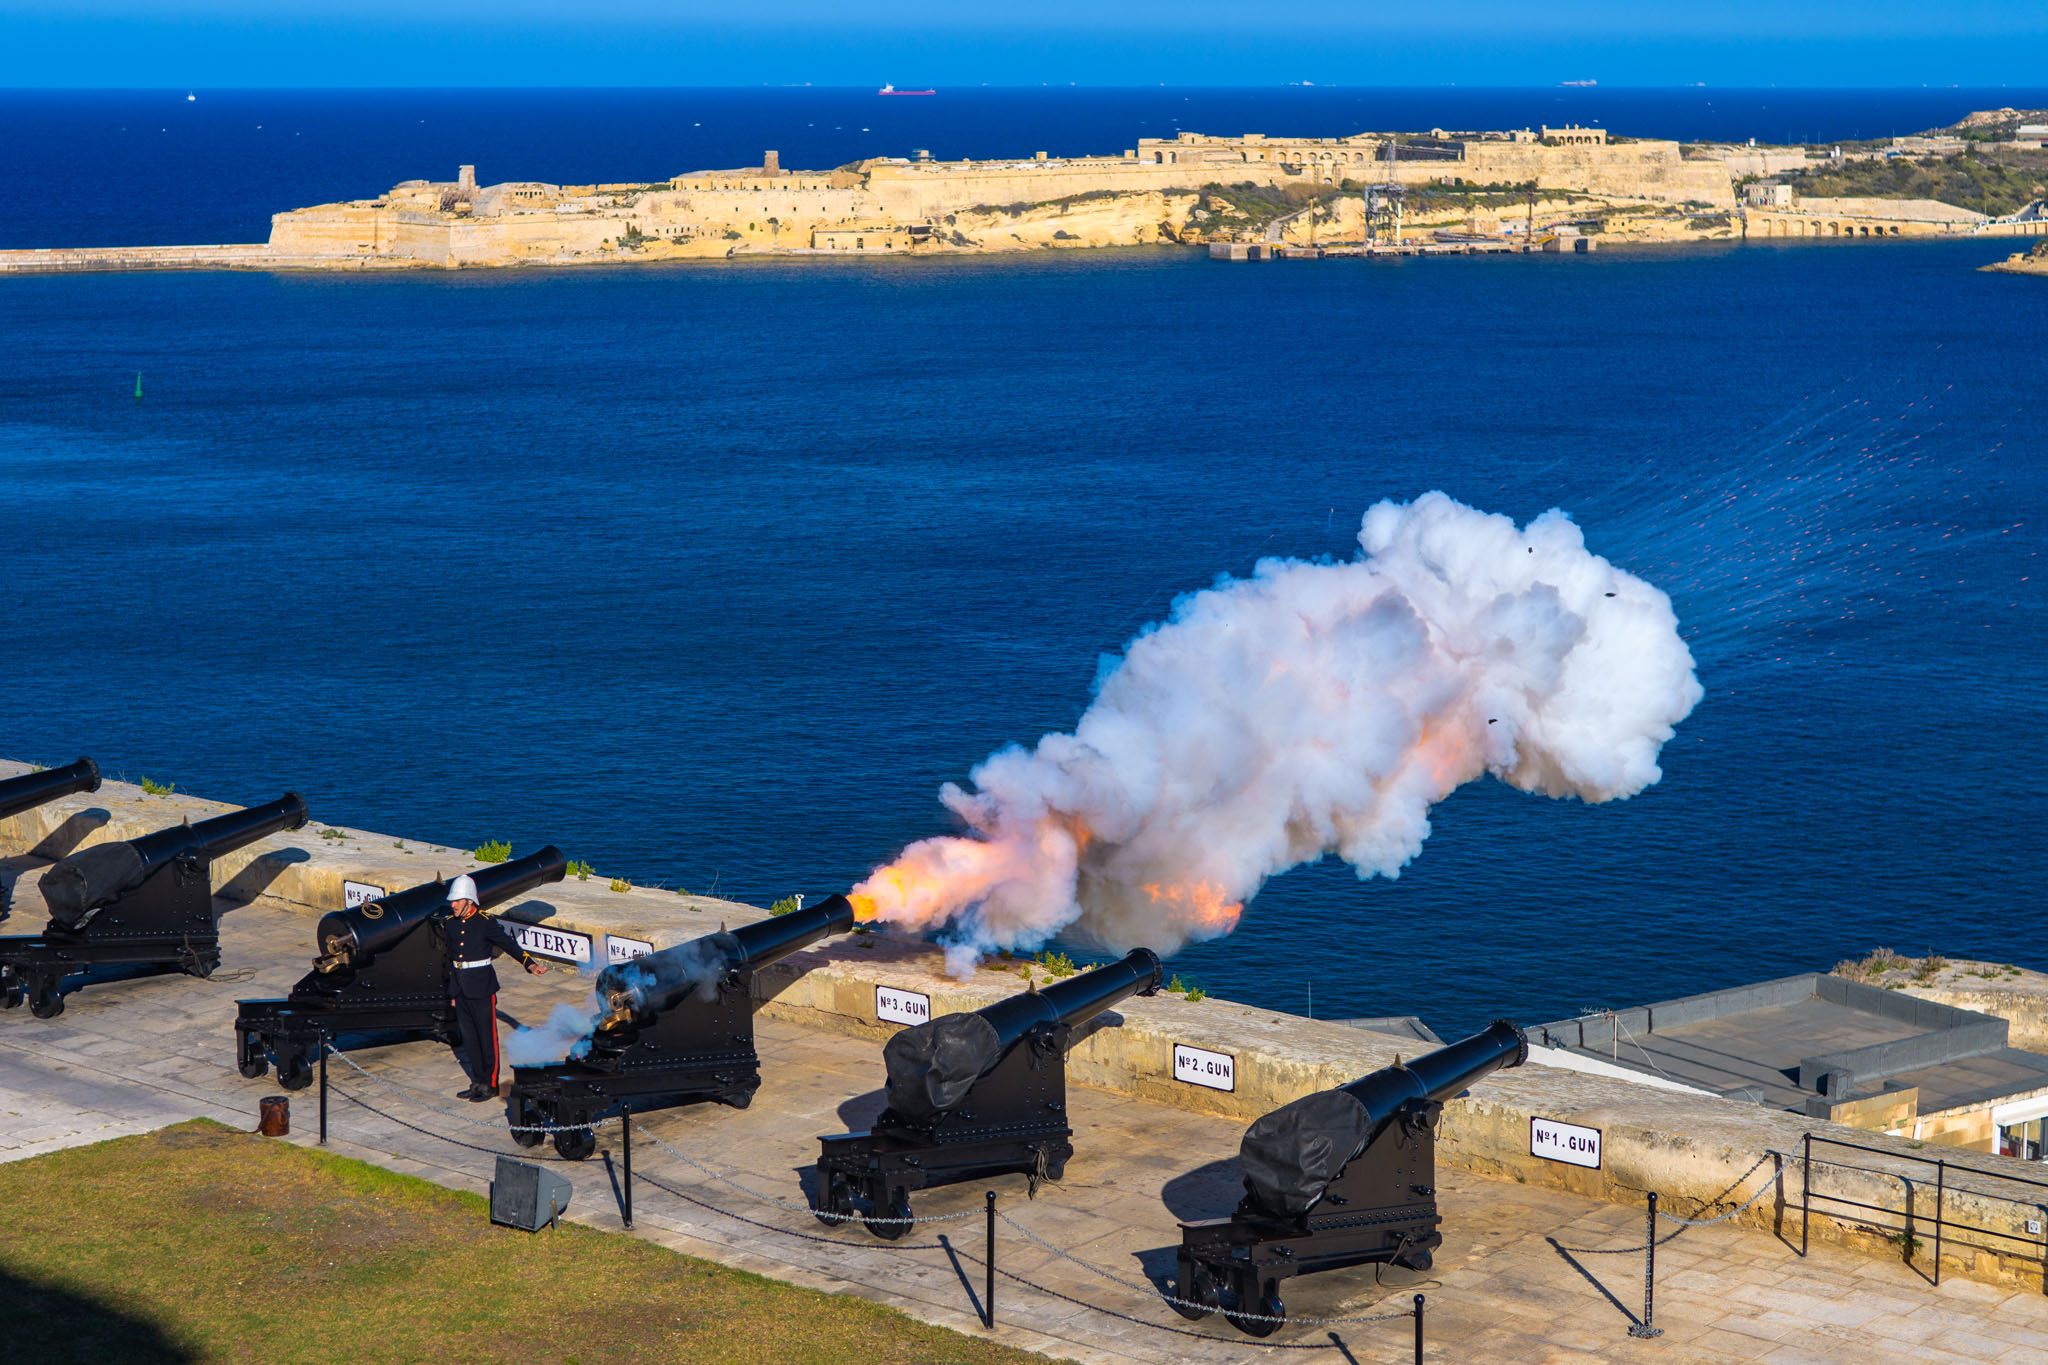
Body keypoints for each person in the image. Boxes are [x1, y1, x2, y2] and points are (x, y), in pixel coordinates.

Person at [439, 873, 548, 1101]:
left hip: (481, 986)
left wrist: (529, 963)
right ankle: (477, 1082)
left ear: (469, 900)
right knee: (470, 1038)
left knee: (486, 1038)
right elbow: (451, 959)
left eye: (457, 901)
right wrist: (452, 992)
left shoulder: (485, 923)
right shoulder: (450, 924)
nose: (453, 905)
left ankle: (490, 1084)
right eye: (453, 901)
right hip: (460, 987)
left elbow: (509, 944)